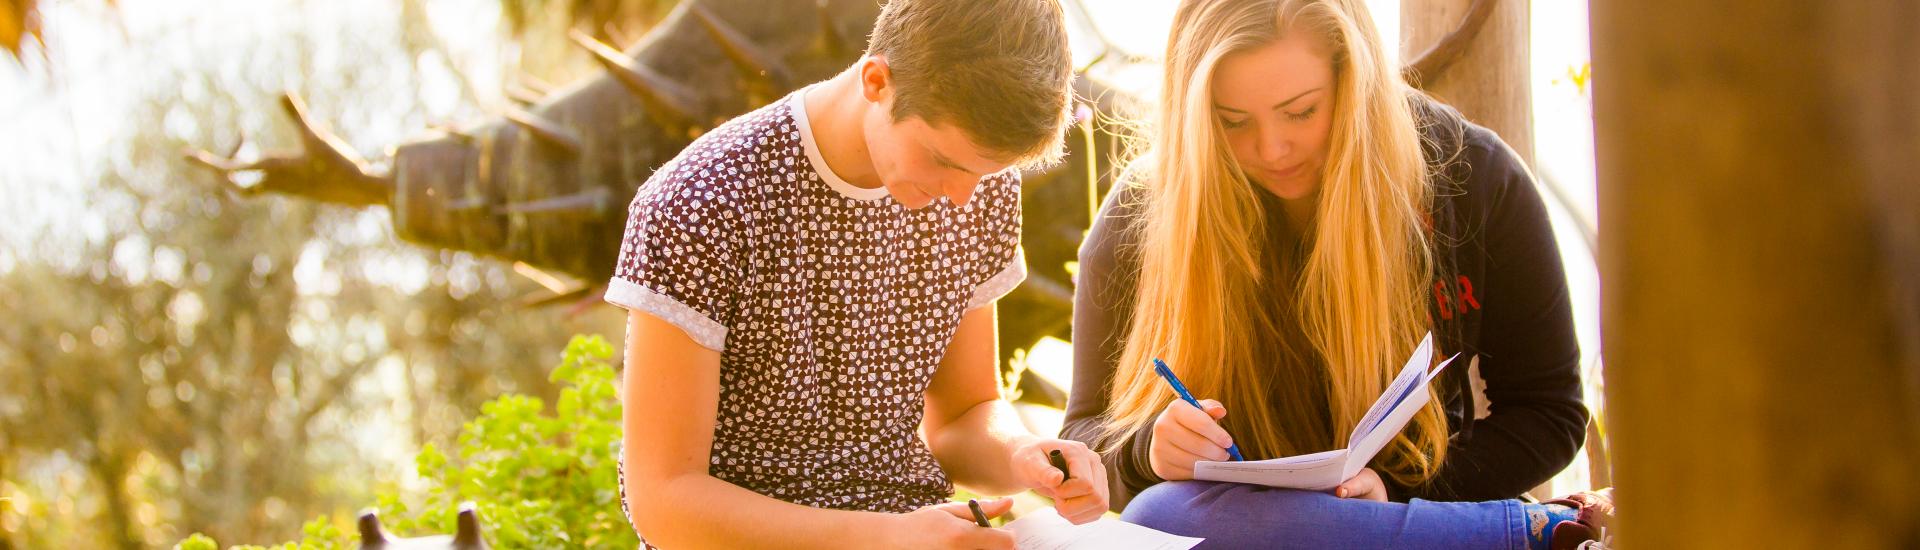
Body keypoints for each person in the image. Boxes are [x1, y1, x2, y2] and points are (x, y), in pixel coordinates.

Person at [1059, 0, 1609, 547]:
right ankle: (1536, 534)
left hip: (1410, 508)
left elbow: (1550, 412)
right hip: (1241, 528)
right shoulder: (1147, 212)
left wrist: (1393, 495)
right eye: (1232, 122)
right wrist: (1148, 450)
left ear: (1355, 80)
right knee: (1165, 512)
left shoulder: (1470, 175)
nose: (1272, 149)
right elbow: (1081, 438)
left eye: (1300, 112)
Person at [607, 1, 1107, 548]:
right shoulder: (701, 203)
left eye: (987, 174)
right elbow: (663, 500)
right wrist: (884, 538)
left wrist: (1022, 454)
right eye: (945, 161)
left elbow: (964, 413)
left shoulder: (979, 181)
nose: (962, 199)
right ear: (877, 80)